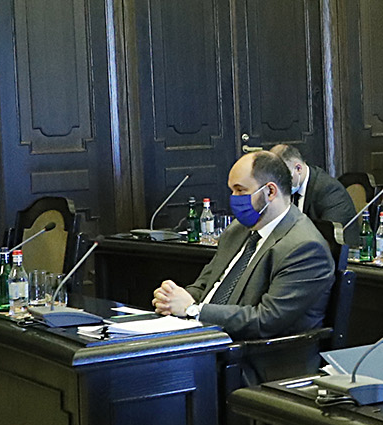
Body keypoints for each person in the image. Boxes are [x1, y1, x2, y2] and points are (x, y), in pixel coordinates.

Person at [152, 150, 335, 341]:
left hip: (257, 353)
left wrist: (193, 310)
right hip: (209, 338)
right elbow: (206, 286)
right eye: (232, 190)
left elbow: (266, 321)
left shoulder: (304, 247)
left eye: (240, 190)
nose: (234, 198)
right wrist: (172, 299)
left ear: (270, 192)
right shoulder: (237, 230)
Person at [269, 143, 358, 241]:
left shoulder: (329, 190)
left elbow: (326, 238)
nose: (280, 183)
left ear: (298, 168)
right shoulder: (288, 188)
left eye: (284, 176)